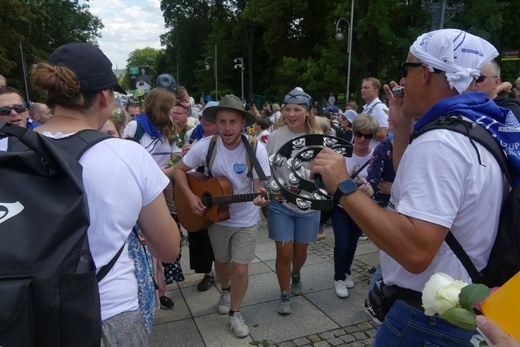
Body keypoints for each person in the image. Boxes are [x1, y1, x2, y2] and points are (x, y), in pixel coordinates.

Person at [311, 28, 515, 346]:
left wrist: (342, 185)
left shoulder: (440, 143)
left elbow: (416, 250)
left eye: (406, 70)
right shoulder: (475, 127)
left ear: (426, 73)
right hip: (454, 309)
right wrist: (402, 129)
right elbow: (420, 195)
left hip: (425, 322)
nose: (402, 82)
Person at [29, 41, 179, 345]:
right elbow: (168, 249)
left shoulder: (8, 149)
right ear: (103, 97)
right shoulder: (127, 155)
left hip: (25, 314)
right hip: (108, 312)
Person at [172, 94, 270, 338]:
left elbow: (262, 186)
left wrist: (262, 195)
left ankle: (235, 313)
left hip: (246, 218)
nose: (227, 128)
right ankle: (225, 290)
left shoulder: (256, 147)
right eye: (223, 122)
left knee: (240, 268)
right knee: (222, 262)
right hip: (217, 217)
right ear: (216, 122)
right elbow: (178, 171)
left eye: (233, 122)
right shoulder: (207, 145)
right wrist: (192, 197)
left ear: (242, 123)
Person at [123, 87, 184, 310]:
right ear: (161, 107)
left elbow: (176, 154)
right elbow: (128, 161)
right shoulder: (136, 126)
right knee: (146, 241)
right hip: (142, 191)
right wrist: (169, 171)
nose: (174, 112)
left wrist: (171, 166)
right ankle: (153, 290)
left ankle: (162, 288)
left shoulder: (168, 127)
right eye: (171, 108)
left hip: (163, 186)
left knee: (162, 239)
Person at [99, 107, 157, 334]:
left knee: (141, 299)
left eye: (110, 134)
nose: (104, 142)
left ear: (121, 133)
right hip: (104, 255)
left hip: (132, 240)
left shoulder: (129, 159)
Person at [265, 87, 322, 315]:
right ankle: (284, 292)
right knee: (284, 253)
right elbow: (267, 170)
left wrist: (301, 181)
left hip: (308, 205)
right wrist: (274, 189)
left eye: (297, 109)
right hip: (280, 204)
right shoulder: (275, 137)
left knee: (299, 253)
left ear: (307, 112)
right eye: (287, 109)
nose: (291, 113)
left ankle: (296, 273)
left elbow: (322, 173)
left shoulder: (317, 138)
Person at [331, 114, 379, 298]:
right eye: (359, 134)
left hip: (362, 207)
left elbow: (378, 181)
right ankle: (339, 277)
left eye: (367, 136)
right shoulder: (342, 152)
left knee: (352, 243)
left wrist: (370, 187)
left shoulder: (376, 155)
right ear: (353, 132)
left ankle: (347, 271)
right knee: (342, 243)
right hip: (342, 205)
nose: (362, 139)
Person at [182, 101, 219, 292]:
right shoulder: (192, 134)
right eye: (204, 117)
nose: (206, 121)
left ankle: (221, 267)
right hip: (196, 186)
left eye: (211, 119)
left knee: (219, 231)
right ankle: (207, 272)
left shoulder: (224, 137)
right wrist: (185, 155)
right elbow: (182, 165)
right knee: (198, 232)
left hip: (217, 189)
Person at [361, 77, 389, 148]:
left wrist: (361, 129)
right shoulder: (367, 108)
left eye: (366, 88)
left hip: (374, 153)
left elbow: (382, 135)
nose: (363, 90)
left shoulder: (379, 108)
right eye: (362, 88)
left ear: (376, 90)